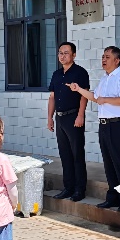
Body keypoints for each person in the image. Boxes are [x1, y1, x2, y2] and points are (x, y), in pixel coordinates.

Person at [68, 46, 120, 212]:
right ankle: (113, 197)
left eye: (107, 57)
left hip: (118, 125)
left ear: (117, 60)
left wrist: (105, 99)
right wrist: (78, 89)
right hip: (104, 125)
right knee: (108, 163)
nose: (103, 60)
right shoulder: (104, 78)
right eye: (103, 57)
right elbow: (95, 97)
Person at [47, 42, 90, 202]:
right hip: (60, 118)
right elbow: (52, 97)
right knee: (64, 154)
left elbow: (84, 96)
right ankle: (68, 187)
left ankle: (80, 189)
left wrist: (81, 115)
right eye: (60, 53)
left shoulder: (80, 72)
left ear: (74, 55)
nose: (62, 56)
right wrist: (50, 117)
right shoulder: (56, 74)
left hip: (74, 117)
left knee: (77, 154)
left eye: (66, 53)